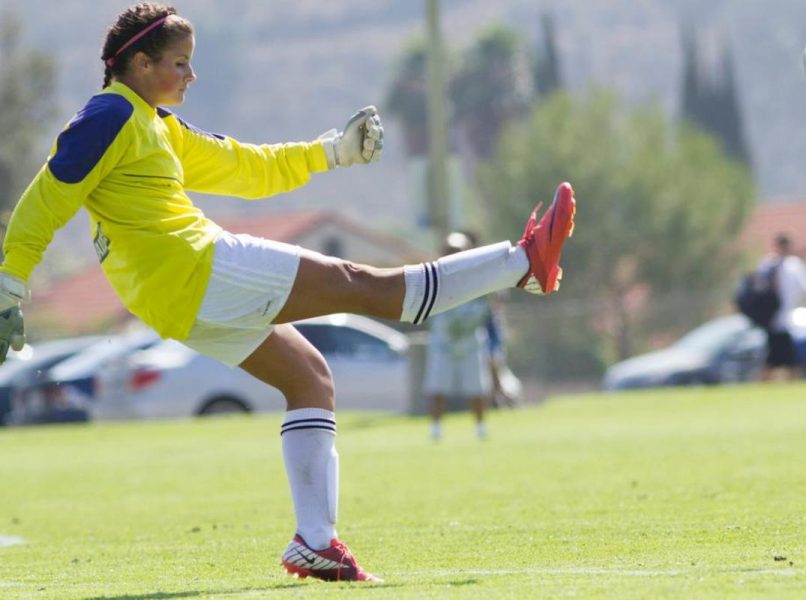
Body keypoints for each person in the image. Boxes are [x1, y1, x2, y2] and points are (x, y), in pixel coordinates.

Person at [0, 3, 576, 584]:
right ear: (142, 63)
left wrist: (332, 152)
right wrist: (8, 285)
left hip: (178, 300)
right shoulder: (110, 116)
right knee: (365, 286)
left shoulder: (154, 123)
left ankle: (316, 543)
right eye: (180, 63)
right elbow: (47, 197)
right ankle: (521, 263)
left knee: (309, 379)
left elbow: (246, 167)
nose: (191, 76)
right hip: (199, 269)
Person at [424, 232, 493, 441]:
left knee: (476, 387)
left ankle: (480, 427)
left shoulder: (478, 277)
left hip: (470, 342)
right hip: (443, 342)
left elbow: (487, 307)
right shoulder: (434, 276)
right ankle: (436, 428)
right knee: (437, 386)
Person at [759, 233, 806, 381]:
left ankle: (770, 386)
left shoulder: (789, 265)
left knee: (777, 360)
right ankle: (789, 385)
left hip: (782, 322)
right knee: (786, 361)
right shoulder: (772, 266)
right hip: (773, 321)